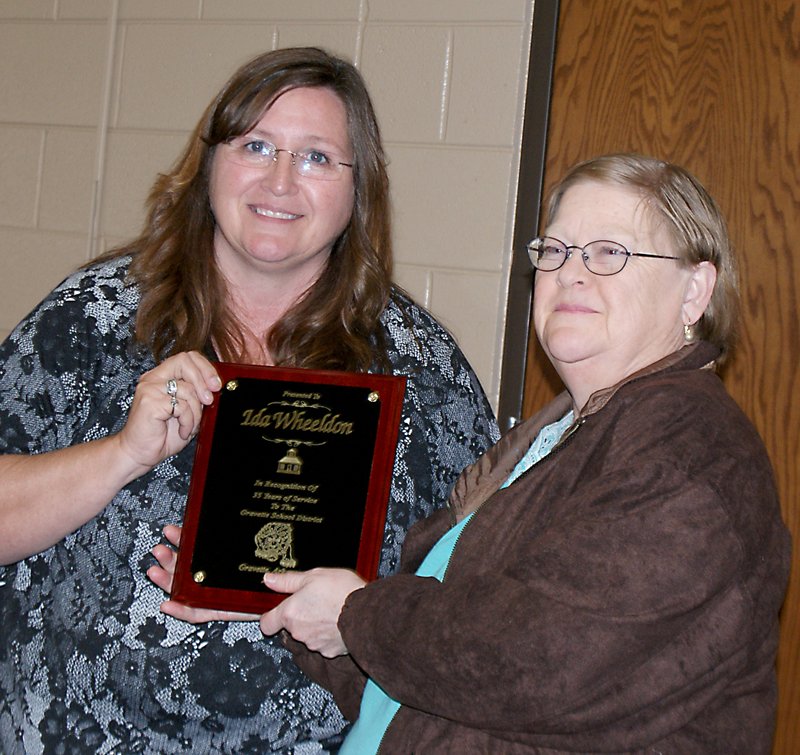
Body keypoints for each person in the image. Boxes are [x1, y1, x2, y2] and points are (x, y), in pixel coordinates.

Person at [0, 47, 499, 753]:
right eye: (256, 145)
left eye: (319, 157)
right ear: (210, 166)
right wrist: (118, 456)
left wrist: (360, 610)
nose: (280, 180)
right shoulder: (97, 320)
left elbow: (483, 588)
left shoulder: (420, 365)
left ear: (360, 189)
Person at [252, 153, 791, 753]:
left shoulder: (692, 449)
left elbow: (544, 662)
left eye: (609, 253)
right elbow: (432, 690)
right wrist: (260, 585)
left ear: (695, 291)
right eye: (555, 251)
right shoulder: (549, 439)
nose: (571, 275)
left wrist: (358, 615)